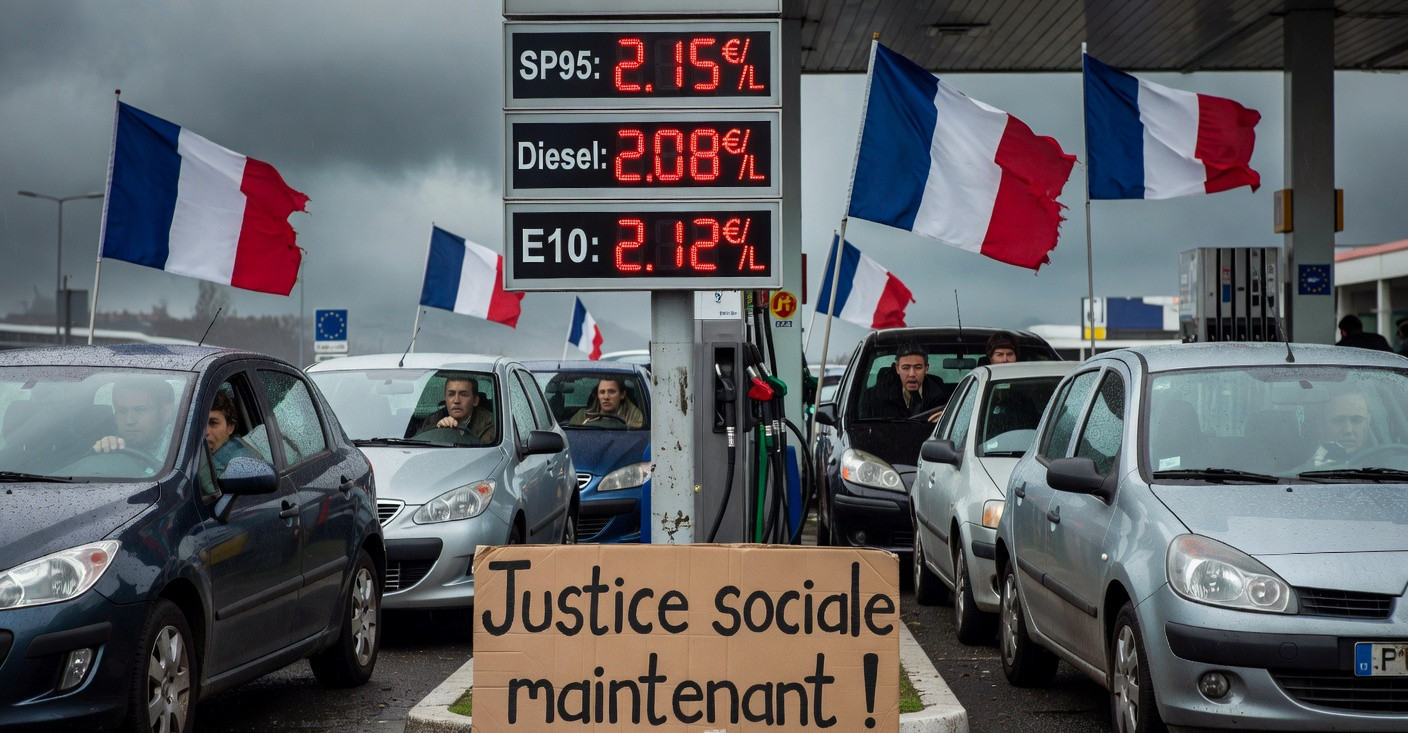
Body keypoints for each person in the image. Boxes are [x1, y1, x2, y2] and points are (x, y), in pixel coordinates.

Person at [92, 377, 175, 460]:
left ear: (165, 413)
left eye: (140, 410)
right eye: (122, 411)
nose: (129, 420)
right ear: (115, 416)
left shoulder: (181, 447)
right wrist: (107, 449)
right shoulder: (111, 442)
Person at [865, 344, 949, 422]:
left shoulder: (944, 399)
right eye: (906, 368)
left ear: (926, 369)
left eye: (918, 368)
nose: (912, 374)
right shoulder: (877, 398)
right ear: (897, 369)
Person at [1306, 389, 1372, 467]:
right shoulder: (1299, 476)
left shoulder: (1386, 467)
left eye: (1356, 420)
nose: (1348, 430)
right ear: (1322, 425)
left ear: (1367, 422)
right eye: (1338, 420)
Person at [417, 377, 495, 443]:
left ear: (475, 401)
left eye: (463, 394)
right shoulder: (432, 420)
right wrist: (439, 431)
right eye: (451, 394)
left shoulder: (490, 424)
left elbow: (484, 454)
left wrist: (456, 431)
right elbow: (419, 445)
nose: (456, 400)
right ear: (445, 399)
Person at [206, 390, 256, 474]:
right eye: (200, 424)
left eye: (213, 423)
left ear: (230, 428)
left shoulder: (242, 462)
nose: (205, 431)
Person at [570, 377, 645, 429]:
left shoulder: (635, 417)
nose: (606, 397)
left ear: (622, 395)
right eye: (602, 392)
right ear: (598, 395)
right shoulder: (582, 416)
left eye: (611, 392)